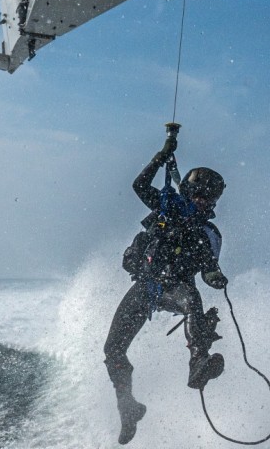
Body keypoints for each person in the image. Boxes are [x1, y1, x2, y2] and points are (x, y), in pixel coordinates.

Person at [103, 126, 228, 445]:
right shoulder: (166, 208)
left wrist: (215, 277)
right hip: (146, 288)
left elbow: (209, 270)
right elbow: (139, 184)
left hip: (179, 291)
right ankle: (128, 406)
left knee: (192, 303)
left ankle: (198, 363)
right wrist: (161, 156)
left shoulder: (208, 234)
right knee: (112, 349)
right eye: (198, 195)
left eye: (208, 198)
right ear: (187, 193)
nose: (202, 202)